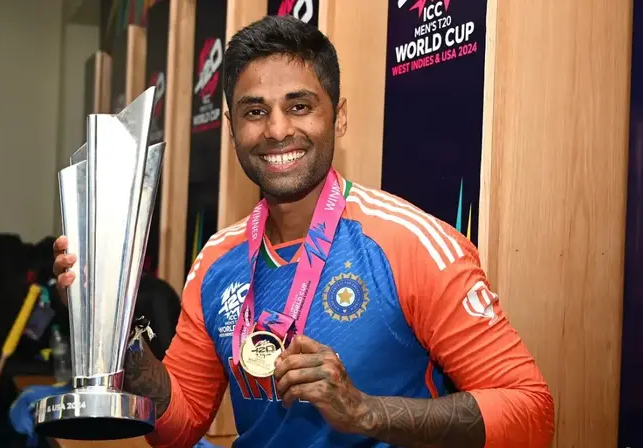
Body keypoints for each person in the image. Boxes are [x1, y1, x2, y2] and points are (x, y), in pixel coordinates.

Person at [53, 16, 554, 448]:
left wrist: (365, 412)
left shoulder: (411, 244)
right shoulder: (215, 260)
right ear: (231, 127)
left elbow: (532, 413)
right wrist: (112, 332)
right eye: (255, 111)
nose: (275, 130)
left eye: (299, 106)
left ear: (337, 118)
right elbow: (178, 426)